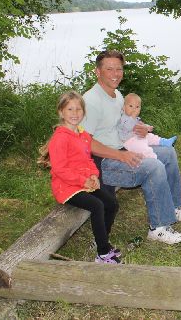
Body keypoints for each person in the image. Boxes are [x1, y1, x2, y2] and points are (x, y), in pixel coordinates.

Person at [81, 50, 181, 245]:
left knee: (168, 153)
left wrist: (140, 129)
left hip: (122, 149)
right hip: (104, 163)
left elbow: (123, 123)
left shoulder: (117, 95)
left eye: (119, 69)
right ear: (97, 72)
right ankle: (158, 228)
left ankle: (173, 206)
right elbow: (86, 143)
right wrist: (121, 156)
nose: (115, 73)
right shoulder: (91, 100)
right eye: (109, 69)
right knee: (153, 167)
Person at [38, 91, 121, 263]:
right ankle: (103, 253)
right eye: (70, 109)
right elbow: (60, 169)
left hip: (85, 182)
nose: (75, 113)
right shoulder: (60, 138)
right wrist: (83, 180)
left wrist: (93, 175)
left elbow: (88, 159)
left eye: (78, 109)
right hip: (66, 188)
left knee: (111, 203)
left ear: (83, 112)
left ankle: (101, 239)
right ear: (61, 112)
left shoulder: (83, 135)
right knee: (97, 205)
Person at [118, 92, 177, 159]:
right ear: (124, 107)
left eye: (137, 107)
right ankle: (152, 158)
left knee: (151, 136)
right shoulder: (123, 118)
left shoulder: (136, 118)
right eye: (131, 106)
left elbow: (140, 125)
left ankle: (165, 142)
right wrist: (133, 117)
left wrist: (147, 127)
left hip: (136, 136)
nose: (134, 109)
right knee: (143, 147)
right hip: (128, 141)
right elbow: (127, 127)